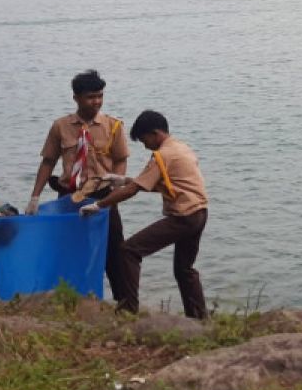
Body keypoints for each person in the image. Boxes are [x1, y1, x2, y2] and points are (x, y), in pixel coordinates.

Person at [79, 110, 208, 319]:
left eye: (144, 140)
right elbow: (167, 184)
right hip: (199, 213)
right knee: (184, 270)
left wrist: (99, 205)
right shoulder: (181, 148)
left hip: (183, 217)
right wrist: (125, 180)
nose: (145, 145)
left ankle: (128, 311)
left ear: (155, 133)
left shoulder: (161, 155)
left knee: (129, 251)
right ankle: (199, 318)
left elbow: (133, 191)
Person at [25, 69, 129, 301]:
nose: (97, 101)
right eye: (91, 97)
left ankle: (125, 304)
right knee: (69, 249)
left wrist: (116, 188)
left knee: (114, 252)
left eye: (100, 95)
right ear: (76, 98)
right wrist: (35, 197)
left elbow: (121, 159)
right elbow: (48, 162)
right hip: (69, 196)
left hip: (103, 195)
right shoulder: (60, 126)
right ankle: (73, 299)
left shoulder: (113, 126)